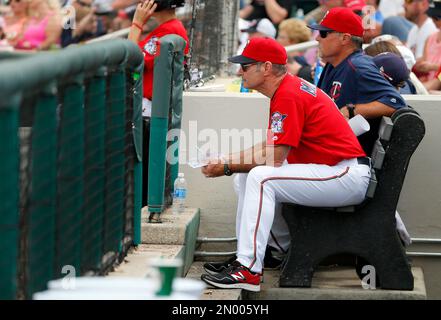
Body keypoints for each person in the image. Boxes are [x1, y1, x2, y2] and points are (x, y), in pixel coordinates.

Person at [200, 37, 371, 292]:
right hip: (335, 168)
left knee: (260, 176)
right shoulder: (286, 89)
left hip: (345, 173)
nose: (240, 71)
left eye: (246, 66)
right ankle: (258, 255)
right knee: (245, 177)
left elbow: (275, 157)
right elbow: (270, 145)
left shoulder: (288, 94)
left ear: (266, 67)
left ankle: (248, 268)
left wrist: (226, 166)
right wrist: (228, 160)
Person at [309, 7, 412, 245]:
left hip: (349, 163)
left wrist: (354, 110)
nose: (317, 38)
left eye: (324, 33)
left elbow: (397, 102)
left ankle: (274, 250)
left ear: (345, 38)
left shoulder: (359, 66)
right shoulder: (333, 65)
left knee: (264, 174)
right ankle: (276, 249)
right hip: (335, 156)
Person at [128, 0, 189, 207]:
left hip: (151, 114)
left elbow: (130, 59)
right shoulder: (169, 28)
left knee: (144, 174)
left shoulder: (169, 30)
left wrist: (137, 23)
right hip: (151, 111)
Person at [414, 0, 441, 83]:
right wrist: (420, 66)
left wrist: (433, 67)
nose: (433, 20)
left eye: (436, 18)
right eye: (431, 16)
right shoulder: (430, 38)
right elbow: (425, 61)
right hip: (429, 81)